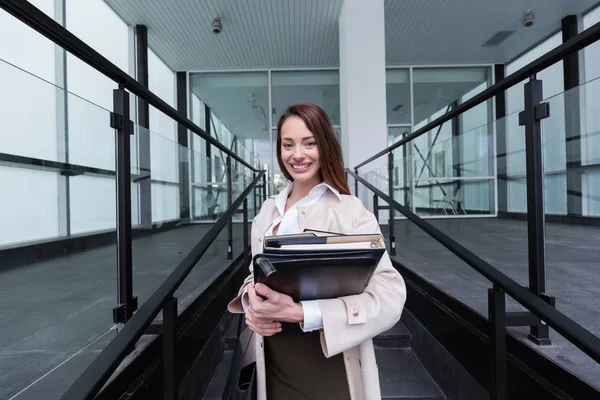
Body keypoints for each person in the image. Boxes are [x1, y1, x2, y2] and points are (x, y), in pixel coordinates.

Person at [227, 103, 406, 400]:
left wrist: (300, 312)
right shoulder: (268, 210)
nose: (297, 154)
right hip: (270, 362)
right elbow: (254, 272)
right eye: (288, 144)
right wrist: (252, 304)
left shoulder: (350, 211)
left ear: (325, 146)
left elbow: (390, 295)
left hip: (329, 365)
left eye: (309, 143)